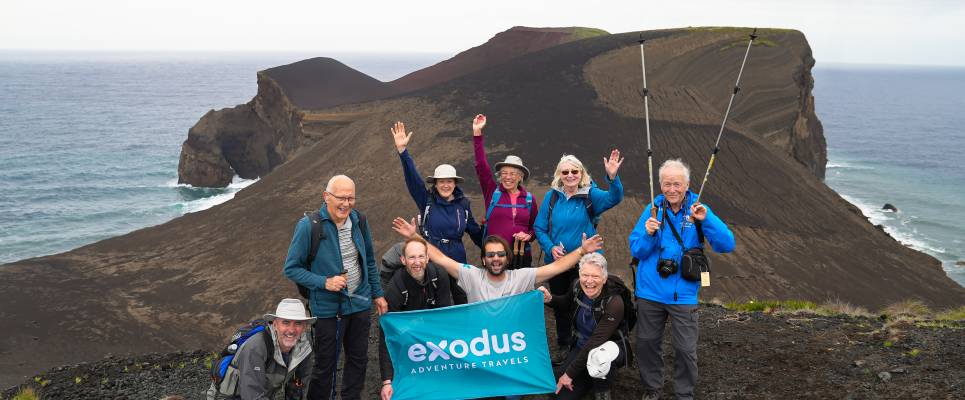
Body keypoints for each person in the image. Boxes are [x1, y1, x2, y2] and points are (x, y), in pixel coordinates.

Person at [628, 159, 735, 400]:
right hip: (651, 292)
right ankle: (652, 389)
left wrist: (706, 220)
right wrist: (648, 233)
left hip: (684, 293)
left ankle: (684, 394)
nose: (672, 189)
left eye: (677, 184)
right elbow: (637, 250)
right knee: (646, 344)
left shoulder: (698, 210)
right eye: (667, 184)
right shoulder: (653, 209)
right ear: (660, 185)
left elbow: (726, 244)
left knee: (685, 350)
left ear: (687, 185)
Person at [283, 175, 388, 400]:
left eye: (351, 198)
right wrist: (325, 282)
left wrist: (377, 294)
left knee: (358, 360)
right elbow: (291, 268)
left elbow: (368, 259)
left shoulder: (359, 220)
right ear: (326, 197)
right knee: (325, 365)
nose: (346, 203)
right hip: (327, 309)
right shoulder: (308, 226)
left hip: (359, 302)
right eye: (341, 197)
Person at [534, 152, 624, 361]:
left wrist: (612, 177)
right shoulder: (552, 196)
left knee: (587, 303)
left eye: (575, 171)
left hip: (586, 263)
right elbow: (539, 227)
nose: (570, 175)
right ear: (559, 174)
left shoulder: (590, 194)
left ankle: (589, 344)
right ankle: (565, 344)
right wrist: (550, 248)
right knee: (560, 305)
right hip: (559, 263)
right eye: (565, 172)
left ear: (581, 173)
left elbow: (615, 197)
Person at [391, 121, 481, 304]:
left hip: (457, 258)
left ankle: (462, 331)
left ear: (455, 183)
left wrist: (493, 251)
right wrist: (403, 152)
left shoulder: (463, 204)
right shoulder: (427, 201)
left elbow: (475, 232)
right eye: (441, 181)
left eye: (449, 181)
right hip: (431, 258)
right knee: (436, 300)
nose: (445, 185)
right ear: (435, 183)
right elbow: (413, 180)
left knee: (462, 299)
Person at [538, 253, 629, 400]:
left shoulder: (614, 302)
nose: (589, 281)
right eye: (585, 275)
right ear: (579, 275)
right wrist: (550, 299)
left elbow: (595, 341)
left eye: (595, 276)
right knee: (557, 393)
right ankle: (588, 377)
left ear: (604, 278)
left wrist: (568, 375)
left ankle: (602, 390)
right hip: (581, 346)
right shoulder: (577, 286)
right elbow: (565, 303)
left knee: (599, 357)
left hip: (606, 349)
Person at [377, 237, 454, 400]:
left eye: (420, 257)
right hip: (408, 339)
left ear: (427, 258)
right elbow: (386, 336)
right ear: (403, 260)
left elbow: (445, 318)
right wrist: (386, 381)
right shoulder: (395, 288)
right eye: (411, 257)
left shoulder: (439, 275)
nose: (417, 262)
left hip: (432, 334)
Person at [205, 298, 315, 400]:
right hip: (229, 396)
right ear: (275, 325)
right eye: (285, 322)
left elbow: (302, 386)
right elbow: (252, 395)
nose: (291, 330)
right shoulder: (256, 347)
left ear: (304, 327)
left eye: (298, 323)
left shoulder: (304, 347)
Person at [472, 114, 539, 269]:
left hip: (521, 257)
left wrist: (529, 235)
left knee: (521, 293)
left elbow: (536, 227)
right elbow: (481, 166)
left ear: (521, 177)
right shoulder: (492, 193)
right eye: (504, 173)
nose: (508, 177)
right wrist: (477, 134)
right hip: (494, 258)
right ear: (500, 176)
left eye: (513, 173)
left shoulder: (529, 199)